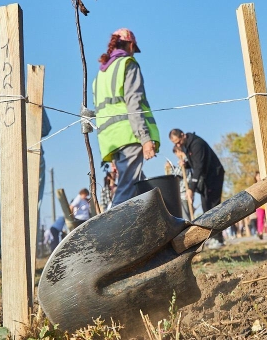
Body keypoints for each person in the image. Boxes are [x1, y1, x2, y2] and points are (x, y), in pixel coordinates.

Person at [0, 84, 52, 278]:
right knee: (30, 208)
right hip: (29, 154)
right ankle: (23, 263)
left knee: (2, 213)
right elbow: (44, 128)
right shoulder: (29, 88)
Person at [93, 29, 160, 206]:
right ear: (130, 45)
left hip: (110, 140)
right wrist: (145, 138)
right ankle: (110, 231)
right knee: (127, 188)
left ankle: (158, 229)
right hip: (128, 133)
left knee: (142, 188)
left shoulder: (101, 74)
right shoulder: (128, 64)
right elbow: (134, 102)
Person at [170, 129, 225, 247]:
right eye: (175, 143)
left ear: (183, 135)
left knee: (214, 206)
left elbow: (199, 167)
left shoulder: (196, 144)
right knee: (206, 208)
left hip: (213, 175)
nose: (178, 145)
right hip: (205, 179)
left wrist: (191, 188)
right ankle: (212, 236)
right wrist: (186, 164)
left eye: (178, 142)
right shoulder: (186, 146)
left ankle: (219, 239)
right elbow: (195, 163)